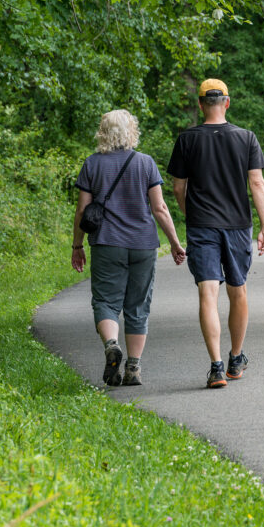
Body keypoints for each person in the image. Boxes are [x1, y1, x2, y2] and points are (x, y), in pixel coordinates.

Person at [168, 79, 264, 389]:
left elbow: (177, 187)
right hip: (238, 225)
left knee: (207, 292)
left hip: (202, 226)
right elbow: (257, 184)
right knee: (238, 289)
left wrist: (191, 214)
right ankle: (235, 359)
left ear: (200, 105)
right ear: (227, 103)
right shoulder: (246, 138)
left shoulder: (187, 139)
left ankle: (215, 367)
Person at [71, 109, 186, 387]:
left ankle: (112, 345)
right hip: (142, 244)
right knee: (138, 306)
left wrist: (77, 244)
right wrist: (174, 242)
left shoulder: (92, 164)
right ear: (131, 131)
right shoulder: (145, 163)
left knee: (105, 301)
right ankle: (133, 368)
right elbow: (159, 208)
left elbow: (82, 210)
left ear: (103, 132)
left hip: (106, 243)